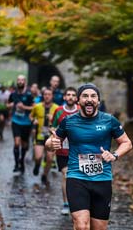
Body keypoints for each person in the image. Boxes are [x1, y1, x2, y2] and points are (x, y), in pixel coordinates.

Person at [45, 83, 132, 229]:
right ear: (79, 101)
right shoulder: (69, 121)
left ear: (98, 101)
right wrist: (51, 144)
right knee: (81, 225)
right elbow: (51, 141)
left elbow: (127, 143)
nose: (89, 99)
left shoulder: (109, 120)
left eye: (93, 96)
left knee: (98, 227)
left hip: (102, 179)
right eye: (85, 96)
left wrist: (114, 155)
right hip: (76, 178)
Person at [51, 87, 80, 215]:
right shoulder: (58, 111)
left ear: (76, 98)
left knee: (77, 178)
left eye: (73, 95)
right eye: (68, 94)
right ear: (64, 97)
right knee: (66, 174)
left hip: (78, 151)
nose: (70, 97)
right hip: (63, 150)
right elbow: (52, 126)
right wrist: (54, 134)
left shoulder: (80, 111)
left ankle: (79, 201)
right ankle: (66, 203)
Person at [29, 87, 58, 185]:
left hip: (51, 137)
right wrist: (34, 120)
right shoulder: (37, 107)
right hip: (40, 136)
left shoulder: (56, 108)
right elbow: (31, 116)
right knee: (38, 157)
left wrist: (53, 119)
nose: (47, 96)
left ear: (52, 96)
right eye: (45, 94)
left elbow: (61, 121)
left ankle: (44, 175)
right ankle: (37, 165)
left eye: (49, 94)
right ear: (43, 96)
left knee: (50, 159)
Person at [7, 75, 33, 173]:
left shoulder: (29, 94)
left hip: (26, 123)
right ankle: (16, 164)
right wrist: (11, 105)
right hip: (16, 121)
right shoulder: (13, 94)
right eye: (19, 80)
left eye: (22, 80)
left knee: (24, 145)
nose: (20, 81)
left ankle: (22, 160)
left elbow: (33, 107)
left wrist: (24, 107)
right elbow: (7, 104)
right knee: (17, 143)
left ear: (25, 82)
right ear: (17, 81)